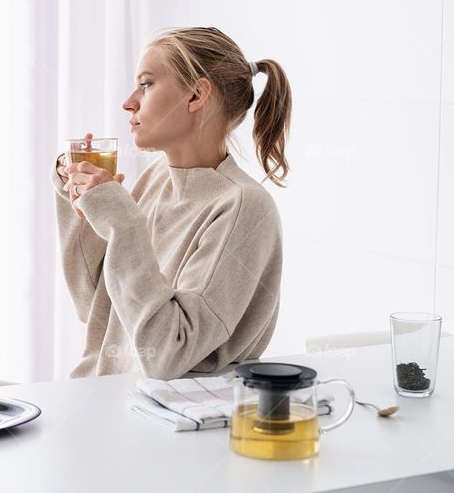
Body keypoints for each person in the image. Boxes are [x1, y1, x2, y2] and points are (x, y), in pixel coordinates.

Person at [52, 27, 292, 380]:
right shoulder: (157, 179)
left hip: (165, 422)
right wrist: (76, 200)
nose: (129, 102)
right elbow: (96, 309)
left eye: (146, 84)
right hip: (102, 398)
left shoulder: (243, 206)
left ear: (196, 95)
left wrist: (123, 223)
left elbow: (167, 354)